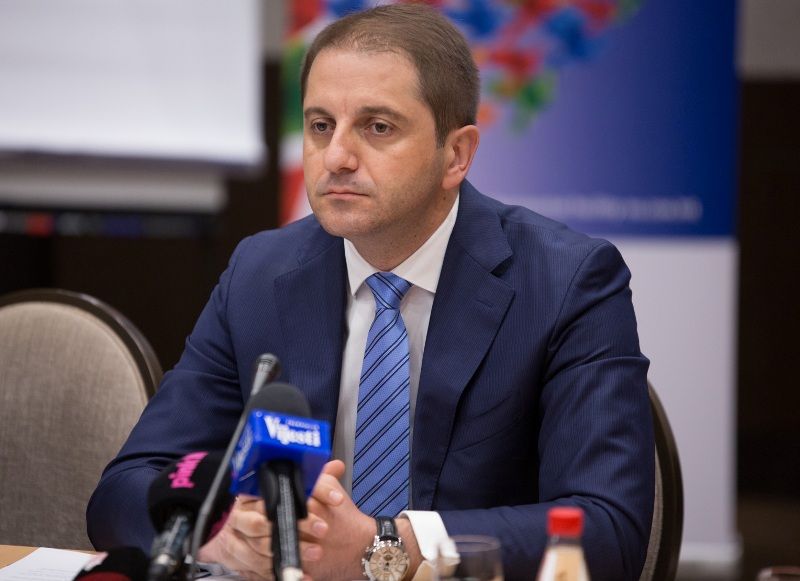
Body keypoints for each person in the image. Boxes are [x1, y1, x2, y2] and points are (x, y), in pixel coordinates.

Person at [87, 5, 654, 581]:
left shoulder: (566, 281)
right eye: (320, 126)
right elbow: (125, 489)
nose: (336, 157)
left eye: (377, 127)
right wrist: (223, 539)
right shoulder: (259, 273)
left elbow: (608, 530)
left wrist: (383, 547)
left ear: (456, 155)